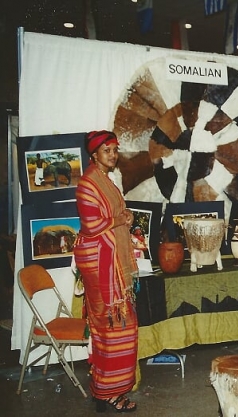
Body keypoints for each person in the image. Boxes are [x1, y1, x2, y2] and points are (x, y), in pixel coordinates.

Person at [73, 130, 139, 413]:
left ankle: (111, 389)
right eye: (106, 151)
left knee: (120, 329)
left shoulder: (106, 181)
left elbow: (114, 217)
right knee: (110, 329)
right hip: (100, 266)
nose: (112, 155)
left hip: (111, 266)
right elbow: (91, 226)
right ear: (94, 155)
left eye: (114, 149)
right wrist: (120, 218)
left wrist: (126, 218)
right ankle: (107, 393)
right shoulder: (87, 185)